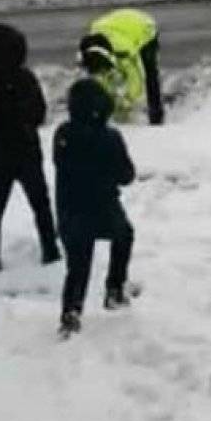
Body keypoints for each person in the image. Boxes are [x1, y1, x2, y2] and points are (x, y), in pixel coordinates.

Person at [0, 22, 60, 273]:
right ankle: (50, 249)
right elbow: (39, 114)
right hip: (27, 149)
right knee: (41, 203)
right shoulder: (26, 79)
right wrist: (22, 121)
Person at [54, 78, 137, 337]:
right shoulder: (110, 137)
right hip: (104, 207)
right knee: (124, 235)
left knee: (78, 265)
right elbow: (127, 175)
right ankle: (114, 288)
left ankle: (71, 310)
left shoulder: (63, 134)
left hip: (70, 209)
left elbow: (61, 163)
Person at [78, 8, 164, 125]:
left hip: (143, 26)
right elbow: (100, 77)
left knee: (150, 73)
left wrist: (127, 100)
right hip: (114, 26)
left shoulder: (124, 51)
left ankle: (156, 115)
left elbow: (136, 79)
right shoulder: (88, 49)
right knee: (110, 74)